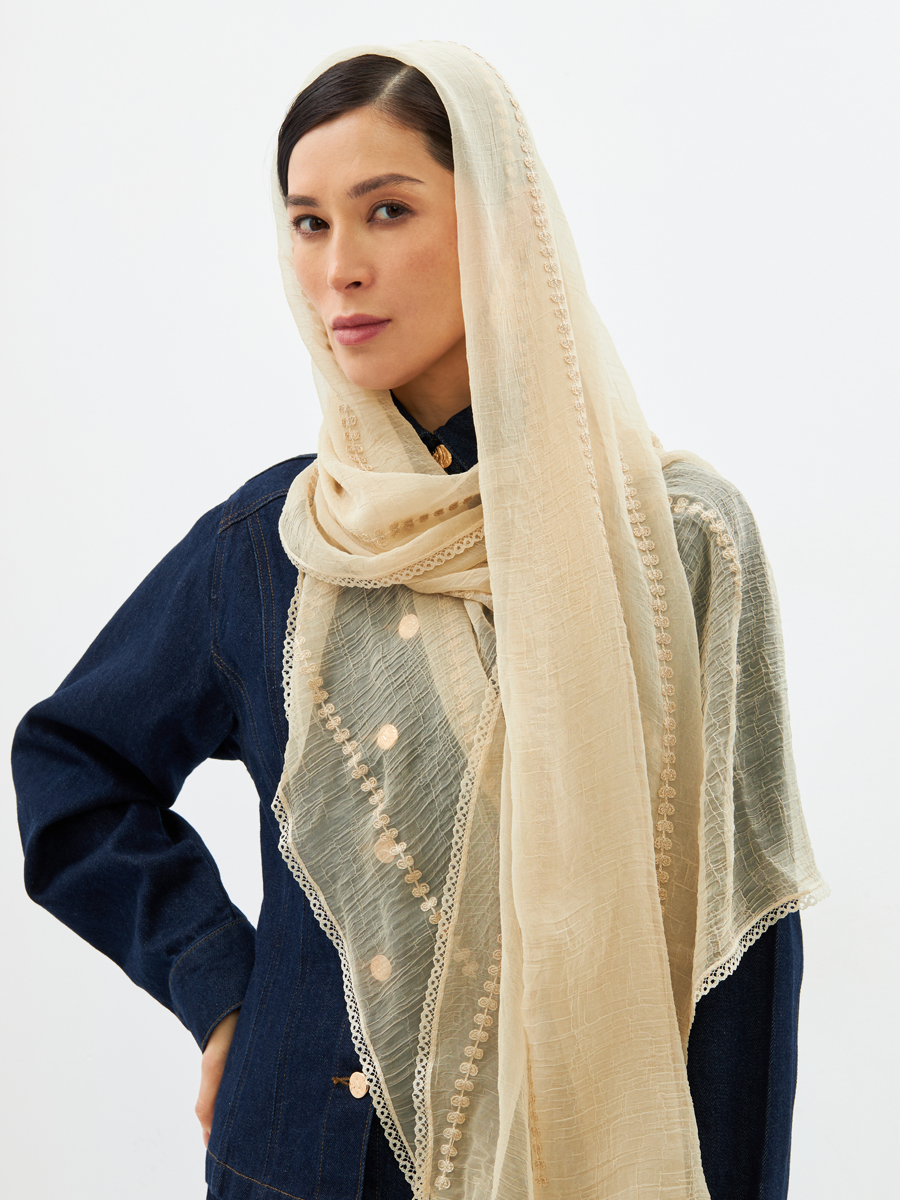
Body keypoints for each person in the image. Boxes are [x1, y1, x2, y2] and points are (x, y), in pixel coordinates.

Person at [13, 42, 828, 1200]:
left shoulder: (676, 545)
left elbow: (738, 946)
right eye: (308, 224)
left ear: (499, 220)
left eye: (386, 211)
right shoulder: (280, 543)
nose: (339, 268)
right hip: (295, 1163)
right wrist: (219, 989)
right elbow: (74, 765)